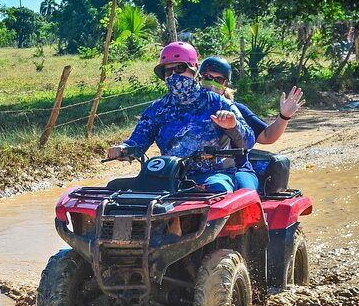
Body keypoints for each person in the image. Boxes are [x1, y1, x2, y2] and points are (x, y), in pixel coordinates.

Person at [107, 42, 255, 193]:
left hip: (213, 175)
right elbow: (138, 141)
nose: (173, 75)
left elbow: (248, 141)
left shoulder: (218, 103)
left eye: (179, 68)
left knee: (215, 192)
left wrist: (233, 126)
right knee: (114, 190)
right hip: (168, 176)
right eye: (167, 71)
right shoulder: (157, 109)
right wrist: (124, 149)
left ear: (194, 71)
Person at [198, 56, 304, 190]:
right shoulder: (182, 111)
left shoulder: (234, 109)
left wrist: (284, 116)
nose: (212, 83)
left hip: (235, 169)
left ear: (225, 85)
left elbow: (267, 136)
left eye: (218, 79)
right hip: (193, 171)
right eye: (207, 77)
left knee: (246, 196)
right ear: (200, 79)